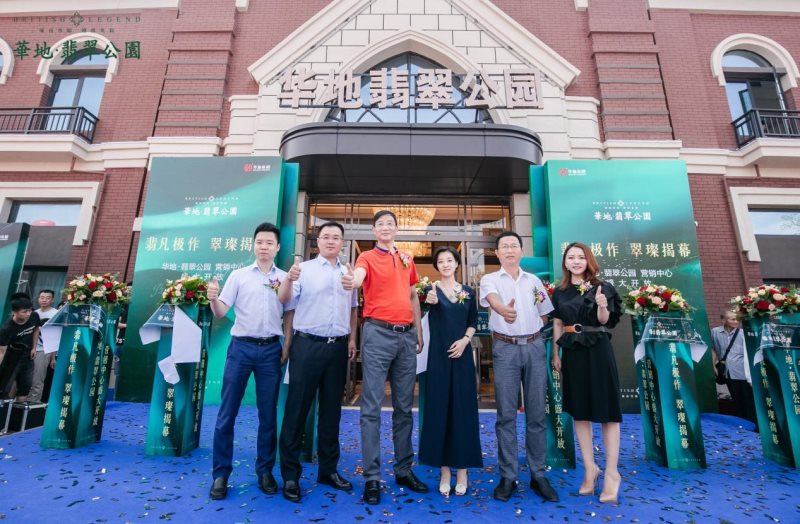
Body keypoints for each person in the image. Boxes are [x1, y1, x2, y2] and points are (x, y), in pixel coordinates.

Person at [341, 209, 428, 505]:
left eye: (390, 223)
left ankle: (403, 470)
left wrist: (418, 330)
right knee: (371, 407)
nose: (386, 227)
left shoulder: (406, 258)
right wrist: (353, 280)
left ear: (396, 229)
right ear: (374, 230)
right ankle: (372, 477)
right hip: (378, 334)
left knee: (404, 407)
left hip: (406, 336)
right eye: (380, 224)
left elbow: (412, 294)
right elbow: (358, 278)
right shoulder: (366, 257)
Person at [206, 222, 293, 501]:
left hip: (270, 351)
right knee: (227, 414)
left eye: (269, 242)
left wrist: (286, 345)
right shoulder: (239, 276)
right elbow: (221, 312)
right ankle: (220, 474)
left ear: (277, 247)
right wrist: (212, 299)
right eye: (259, 242)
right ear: (253, 245)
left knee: (267, 415)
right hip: (240, 349)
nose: (264, 247)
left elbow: (289, 313)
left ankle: (265, 471)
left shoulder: (283, 278)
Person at [277, 221, 358, 502]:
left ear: (342, 243)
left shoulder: (348, 272)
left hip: (337, 349)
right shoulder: (304, 270)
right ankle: (290, 475)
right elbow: (285, 302)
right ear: (318, 241)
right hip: (307, 346)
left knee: (331, 412)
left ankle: (328, 470)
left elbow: (353, 309)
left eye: (336, 237)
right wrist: (288, 279)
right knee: (297, 410)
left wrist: (352, 339)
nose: (331, 241)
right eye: (326, 237)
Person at [479, 232, 558, 503]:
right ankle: (508, 476)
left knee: (536, 413)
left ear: (521, 251)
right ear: (497, 253)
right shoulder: (490, 279)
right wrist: (504, 310)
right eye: (504, 246)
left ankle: (538, 474)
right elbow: (493, 300)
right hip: (505, 348)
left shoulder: (534, 281)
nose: (510, 250)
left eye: (514, 245)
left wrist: (530, 328)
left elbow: (545, 313)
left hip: (535, 347)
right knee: (506, 415)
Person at [550, 242, 623, 504]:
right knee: (579, 412)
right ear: (565, 262)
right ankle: (590, 469)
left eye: (581, 257)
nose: (576, 261)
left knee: (607, 413)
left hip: (598, 350)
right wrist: (556, 353)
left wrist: (602, 305)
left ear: (588, 260)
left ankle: (612, 473)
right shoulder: (560, 292)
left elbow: (605, 320)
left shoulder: (603, 287)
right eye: (571, 257)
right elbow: (558, 323)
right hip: (572, 352)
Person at [418, 246, 481, 496]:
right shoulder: (430, 291)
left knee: (463, 411)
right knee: (440, 410)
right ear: (437, 266)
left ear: (456, 264)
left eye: (449, 260)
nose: (445, 264)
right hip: (438, 358)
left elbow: (473, 321)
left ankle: (462, 470)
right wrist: (427, 302)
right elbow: (422, 311)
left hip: (462, 356)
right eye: (441, 261)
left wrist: (465, 341)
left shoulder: (468, 292)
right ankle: (444, 470)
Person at [711, 310, 756, 428]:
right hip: (727, 372)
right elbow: (713, 348)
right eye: (732, 319)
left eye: (737, 319)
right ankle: (742, 425)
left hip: (743, 372)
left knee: (748, 401)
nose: (736, 322)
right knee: (736, 400)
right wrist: (713, 364)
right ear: (723, 320)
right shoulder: (715, 332)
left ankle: (752, 425)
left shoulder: (743, 333)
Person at [0, 294, 40, 401]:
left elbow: (36, 329)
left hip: (28, 357)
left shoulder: (34, 316)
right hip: (11, 360)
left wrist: (34, 347)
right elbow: (1, 352)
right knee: (5, 388)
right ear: (14, 312)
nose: (28, 314)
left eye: (30, 310)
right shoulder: (7, 329)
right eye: (24, 312)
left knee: (25, 386)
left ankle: (19, 410)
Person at [28, 289, 58, 403]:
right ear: (38, 299)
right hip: (29, 348)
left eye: (47, 298)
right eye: (42, 297)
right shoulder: (33, 313)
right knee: (26, 378)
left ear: (52, 299)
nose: (44, 300)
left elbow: (55, 337)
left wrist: (53, 357)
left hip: (44, 350)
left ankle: (33, 403)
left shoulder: (55, 314)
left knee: (37, 379)